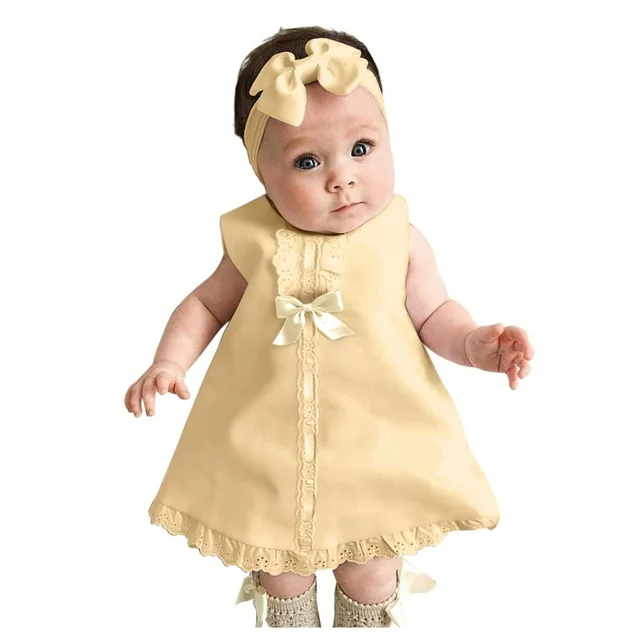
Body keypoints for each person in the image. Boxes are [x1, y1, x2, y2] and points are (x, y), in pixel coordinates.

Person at [124, 26, 534, 628]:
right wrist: (169, 361)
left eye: (362, 148)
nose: (341, 177)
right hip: (267, 448)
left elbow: (434, 314)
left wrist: (477, 345)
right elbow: (206, 305)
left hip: (377, 445)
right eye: (308, 161)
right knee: (281, 571)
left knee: (369, 571)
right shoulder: (251, 240)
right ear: (262, 175)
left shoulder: (400, 238)